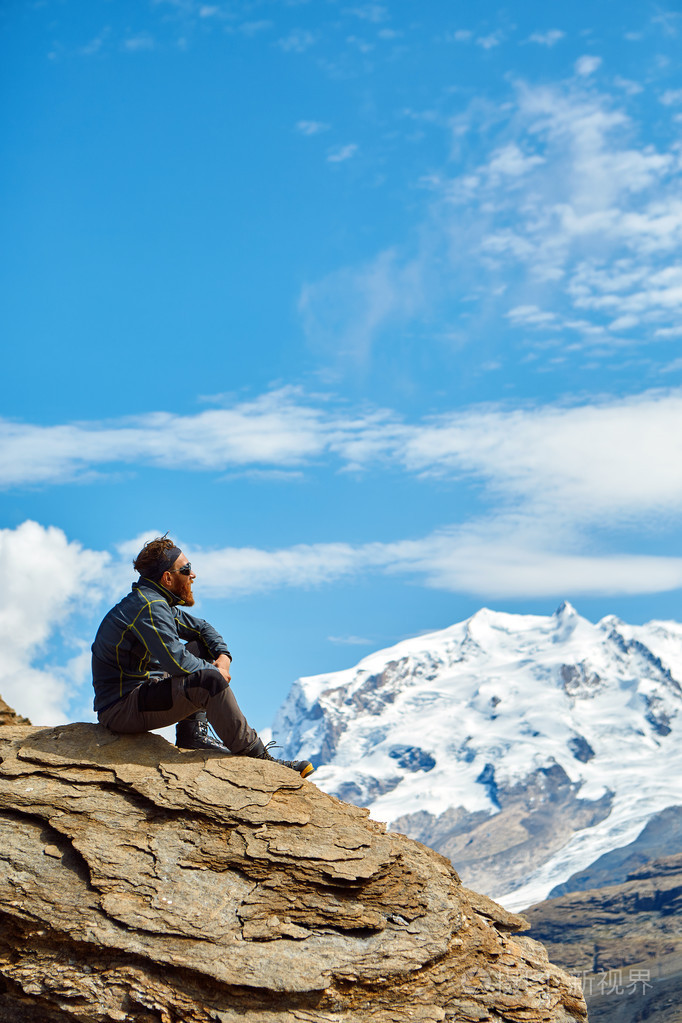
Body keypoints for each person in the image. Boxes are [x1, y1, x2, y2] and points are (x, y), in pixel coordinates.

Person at [91, 535, 314, 778]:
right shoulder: (149, 606)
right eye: (186, 569)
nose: (193, 574)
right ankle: (259, 758)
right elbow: (177, 662)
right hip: (123, 708)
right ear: (167, 577)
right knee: (208, 680)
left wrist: (223, 657)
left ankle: (192, 734)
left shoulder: (156, 601)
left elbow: (203, 629)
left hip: (143, 692)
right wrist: (215, 673)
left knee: (202, 647)